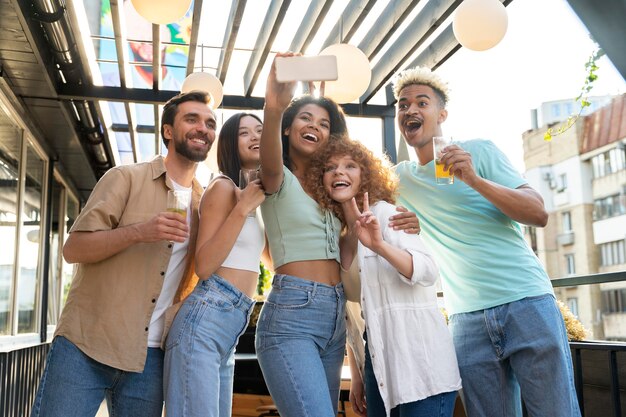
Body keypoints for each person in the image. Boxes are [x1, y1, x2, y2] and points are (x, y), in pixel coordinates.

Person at [391, 66, 581, 417]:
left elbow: (538, 213)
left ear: (442, 114)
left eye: (422, 102)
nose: (410, 109)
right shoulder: (402, 178)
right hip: (466, 321)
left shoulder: (479, 150)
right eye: (402, 104)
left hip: (526, 303)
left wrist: (474, 179)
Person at [30, 90, 216, 417]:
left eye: (210, 123)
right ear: (168, 131)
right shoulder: (125, 178)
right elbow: (74, 249)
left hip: (151, 358)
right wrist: (138, 232)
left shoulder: (206, 206)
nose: (203, 127)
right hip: (85, 346)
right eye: (192, 119)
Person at [255, 54, 420, 417]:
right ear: (287, 127)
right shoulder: (277, 178)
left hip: (334, 315)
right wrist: (274, 105)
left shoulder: (331, 190)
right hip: (291, 315)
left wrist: (402, 222)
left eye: (325, 123)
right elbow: (268, 158)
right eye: (305, 118)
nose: (314, 125)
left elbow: (350, 252)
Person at [307, 137, 462, 417]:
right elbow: (355, 315)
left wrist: (379, 245)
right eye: (331, 168)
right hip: (378, 368)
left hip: (421, 365)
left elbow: (428, 271)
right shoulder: (337, 236)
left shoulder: (386, 215)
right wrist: (357, 375)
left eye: (350, 166)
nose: (339, 172)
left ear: (365, 176)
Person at [163, 112, 266, 417]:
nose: (256, 137)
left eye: (260, 130)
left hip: (229, 324)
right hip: (207, 319)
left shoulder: (254, 197)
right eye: (244, 133)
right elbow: (204, 264)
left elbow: (272, 259)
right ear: (229, 146)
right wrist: (243, 207)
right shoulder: (223, 187)